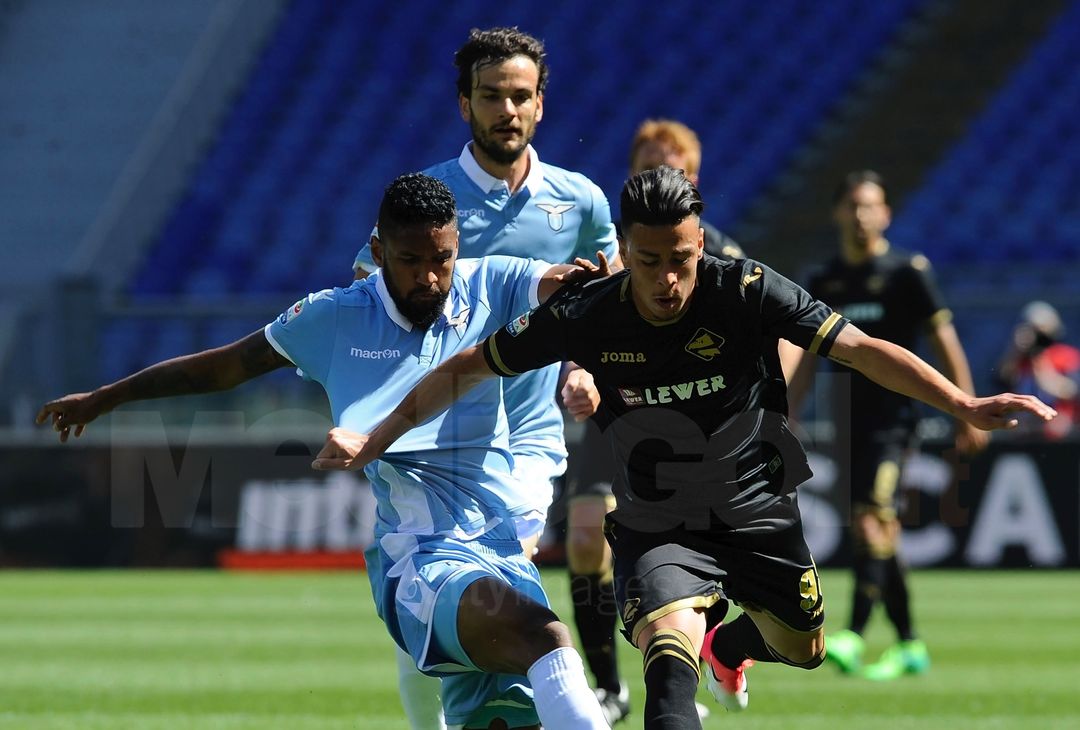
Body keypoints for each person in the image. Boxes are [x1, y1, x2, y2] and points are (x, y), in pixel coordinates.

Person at [310, 167, 1056, 729]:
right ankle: (690, 654)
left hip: (758, 503)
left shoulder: (747, 289)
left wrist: (962, 402)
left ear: (702, 242)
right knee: (668, 648)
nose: (667, 279)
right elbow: (469, 364)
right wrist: (377, 436)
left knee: (804, 646)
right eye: (648, 260)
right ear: (622, 251)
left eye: (682, 258)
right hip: (658, 515)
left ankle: (731, 648)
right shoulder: (588, 313)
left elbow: (857, 348)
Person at [37, 173, 612, 730]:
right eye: (411, 261)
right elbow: (228, 366)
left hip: (503, 547)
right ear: (378, 250)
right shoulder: (335, 316)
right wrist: (109, 396)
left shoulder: (491, 283)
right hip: (422, 557)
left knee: (506, 717)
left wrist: (580, 285)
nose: (430, 279)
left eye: (441, 259)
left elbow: (552, 282)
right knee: (548, 639)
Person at [351, 27, 627, 726]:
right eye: (492, 96)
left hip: (528, 437)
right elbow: (367, 295)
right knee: (442, 604)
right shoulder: (428, 198)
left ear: (541, 104)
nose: (508, 109)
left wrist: (584, 366)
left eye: (521, 96)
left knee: (499, 574)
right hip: (433, 438)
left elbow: (608, 309)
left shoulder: (581, 202)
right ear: (463, 105)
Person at [559, 117, 749, 725]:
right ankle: (609, 686)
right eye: (645, 168)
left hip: (691, 429)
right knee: (586, 537)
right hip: (615, 416)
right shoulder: (609, 248)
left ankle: (689, 664)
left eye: (669, 167)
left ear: (693, 177)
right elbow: (582, 323)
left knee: (689, 563)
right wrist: (578, 371)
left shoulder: (718, 252)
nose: (657, 176)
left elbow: (773, 332)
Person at [786, 170, 989, 681]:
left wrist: (965, 406)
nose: (861, 215)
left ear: (887, 214)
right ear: (838, 213)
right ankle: (910, 644)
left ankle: (853, 635)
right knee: (875, 531)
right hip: (847, 417)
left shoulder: (907, 273)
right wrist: (787, 411)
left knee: (874, 519)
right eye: (852, 205)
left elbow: (945, 342)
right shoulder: (825, 279)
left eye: (870, 206)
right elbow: (809, 356)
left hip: (895, 422)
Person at [627, 118, 743, 259]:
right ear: (632, 176)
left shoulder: (723, 259)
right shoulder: (603, 245)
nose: (657, 179)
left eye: (669, 171)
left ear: (691, 184)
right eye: (648, 169)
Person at [996, 300, 1079, 439]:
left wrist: (1040, 364)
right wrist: (1014, 351)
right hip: (1023, 430)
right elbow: (1003, 381)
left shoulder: (1065, 355)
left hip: (1058, 430)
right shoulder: (1019, 360)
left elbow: (1071, 391)